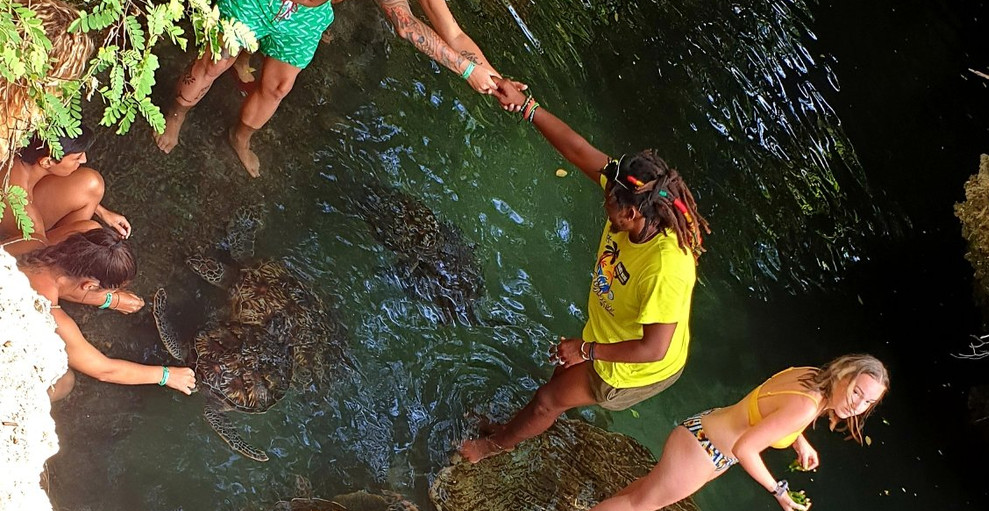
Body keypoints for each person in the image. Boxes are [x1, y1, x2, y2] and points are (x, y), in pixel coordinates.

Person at [459, 79, 710, 463]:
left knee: (547, 401)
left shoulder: (666, 268)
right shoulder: (641, 196)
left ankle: (492, 448)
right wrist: (526, 106)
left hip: (636, 367)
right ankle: (513, 429)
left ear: (630, 213)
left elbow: (653, 348)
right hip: (612, 333)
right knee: (558, 382)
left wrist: (587, 350)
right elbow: (579, 150)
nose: (604, 199)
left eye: (610, 202)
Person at [560, 356, 889, 511]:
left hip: (702, 432)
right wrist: (779, 491)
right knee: (642, 504)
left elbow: (772, 409)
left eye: (867, 402)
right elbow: (747, 448)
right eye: (856, 391)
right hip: (703, 452)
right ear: (845, 375)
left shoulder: (813, 379)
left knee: (646, 492)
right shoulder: (806, 407)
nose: (857, 405)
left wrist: (799, 442)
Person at [155, 0, 502, 178]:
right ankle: (177, 113)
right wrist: (466, 69)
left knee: (278, 88)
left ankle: (240, 137)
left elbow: (444, 32)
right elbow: (410, 28)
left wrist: (491, 76)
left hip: (308, 17)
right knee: (215, 62)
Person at [15, 228, 196, 401]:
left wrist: (108, 300)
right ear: (89, 285)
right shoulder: (51, 316)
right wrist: (166, 375)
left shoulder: (34, 240)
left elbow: (89, 231)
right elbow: (103, 370)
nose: (111, 295)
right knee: (64, 380)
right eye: (110, 291)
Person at [1, 132, 133, 261]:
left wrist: (102, 212)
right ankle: (58, 260)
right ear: (47, 162)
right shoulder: (29, 220)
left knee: (91, 184)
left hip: (28, 197)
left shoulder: (20, 158)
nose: (84, 159)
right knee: (88, 229)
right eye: (77, 157)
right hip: (21, 242)